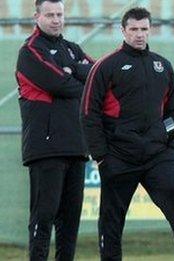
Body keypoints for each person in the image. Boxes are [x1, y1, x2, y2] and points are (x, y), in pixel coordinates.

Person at [80, 7, 174, 261]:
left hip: (157, 155)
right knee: (111, 218)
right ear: (123, 30)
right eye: (134, 29)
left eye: (144, 29)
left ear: (150, 30)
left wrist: (173, 146)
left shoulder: (162, 66)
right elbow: (88, 112)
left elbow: (173, 111)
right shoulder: (106, 66)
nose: (139, 34)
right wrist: (101, 155)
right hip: (118, 156)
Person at [15, 0, 94, 260]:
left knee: (70, 221)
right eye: (50, 14)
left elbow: (96, 75)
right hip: (45, 147)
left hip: (76, 146)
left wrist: (72, 70)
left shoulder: (72, 49)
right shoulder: (30, 51)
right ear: (36, 16)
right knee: (44, 215)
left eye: (60, 14)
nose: (56, 19)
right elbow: (59, 84)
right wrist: (72, 75)